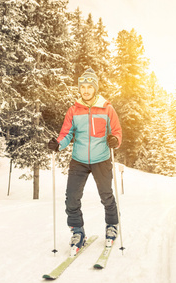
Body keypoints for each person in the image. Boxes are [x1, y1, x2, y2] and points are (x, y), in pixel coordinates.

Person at [47, 68, 122, 255]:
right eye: (83, 87)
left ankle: (112, 225)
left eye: (90, 87)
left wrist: (115, 140)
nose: (86, 90)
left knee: (106, 195)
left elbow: (117, 132)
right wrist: (58, 144)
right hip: (79, 160)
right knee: (71, 198)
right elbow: (67, 133)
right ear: (80, 89)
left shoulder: (107, 109)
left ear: (95, 88)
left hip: (102, 158)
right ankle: (77, 232)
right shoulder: (73, 110)